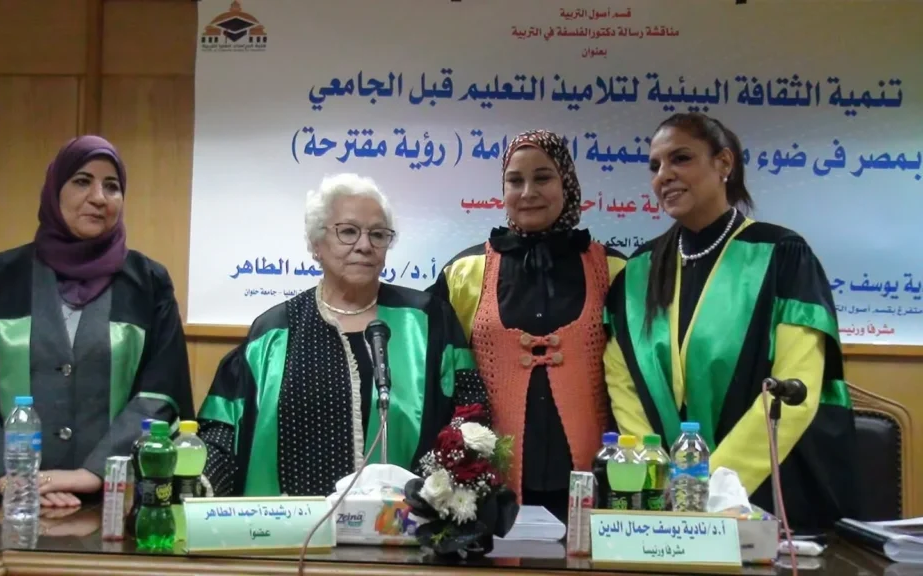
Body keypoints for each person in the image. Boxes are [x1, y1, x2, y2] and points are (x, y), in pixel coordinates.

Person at [603, 112, 858, 530]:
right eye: (655, 165)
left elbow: (795, 390)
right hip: (662, 505)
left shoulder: (781, 257)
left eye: (681, 158)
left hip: (765, 498)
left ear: (724, 163)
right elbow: (623, 384)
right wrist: (658, 477)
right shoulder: (637, 273)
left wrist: (706, 488)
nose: (664, 175)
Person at [0, 135, 195, 507]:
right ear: (55, 192)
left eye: (112, 186)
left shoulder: (147, 284)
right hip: (2, 502)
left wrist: (94, 473)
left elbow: (160, 394)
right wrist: (7, 476)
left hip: (114, 502)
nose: (99, 197)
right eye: (82, 181)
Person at [197, 173, 490, 497]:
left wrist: (447, 481)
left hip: (405, 522)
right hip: (294, 524)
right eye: (348, 232)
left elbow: (471, 413)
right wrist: (202, 481)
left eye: (377, 234)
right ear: (316, 244)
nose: (364, 246)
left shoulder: (429, 322)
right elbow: (222, 431)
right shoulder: (273, 334)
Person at [429, 130, 627, 522]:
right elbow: (439, 376)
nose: (527, 192)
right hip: (486, 490)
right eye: (515, 180)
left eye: (543, 177)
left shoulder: (613, 269)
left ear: (567, 183)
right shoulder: (464, 272)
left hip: (592, 483)